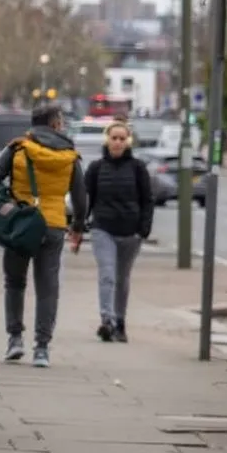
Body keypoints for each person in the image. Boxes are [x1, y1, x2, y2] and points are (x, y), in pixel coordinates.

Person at [0, 104, 87, 368]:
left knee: (15, 282)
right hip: (52, 225)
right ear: (55, 125)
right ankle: (42, 348)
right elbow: (80, 196)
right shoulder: (70, 156)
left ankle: (14, 339)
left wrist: (7, 205)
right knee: (47, 287)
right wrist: (78, 226)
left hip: (20, 223)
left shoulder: (17, 149)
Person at [83, 120, 153, 342]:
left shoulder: (138, 168)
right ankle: (107, 320)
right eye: (114, 138)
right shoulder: (95, 168)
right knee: (107, 275)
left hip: (130, 233)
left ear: (128, 142)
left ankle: (120, 321)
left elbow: (147, 200)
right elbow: (86, 199)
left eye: (122, 139)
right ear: (107, 140)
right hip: (103, 228)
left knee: (122, 278)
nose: (118, 142)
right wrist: (79, 224)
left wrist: (143, 229)